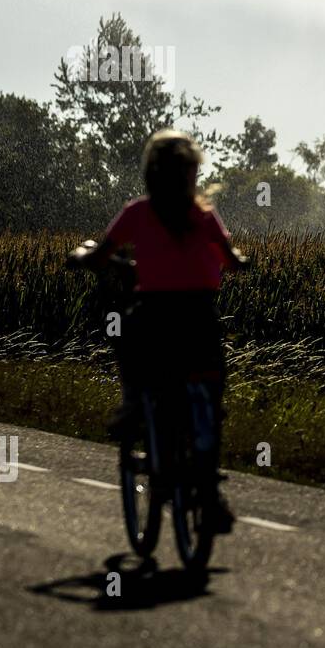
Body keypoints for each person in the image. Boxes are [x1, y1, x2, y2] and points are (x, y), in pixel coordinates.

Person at [67, 129, 247, 533]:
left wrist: (81, 255)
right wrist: (239, 262)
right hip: (200, 315)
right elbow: (231, 258)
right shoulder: (203, 216)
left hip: (157, 312)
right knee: (211, 386)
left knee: (131, 341)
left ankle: (133, 405)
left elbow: (101, 254)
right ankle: (209, 488)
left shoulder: (138, 213)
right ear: (192, 175)